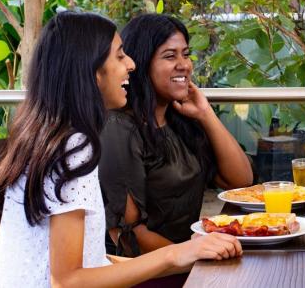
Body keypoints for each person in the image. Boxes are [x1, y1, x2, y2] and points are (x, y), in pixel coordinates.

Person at [0, 11, 242, 288]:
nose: (131, 64)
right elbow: (67, 281)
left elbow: (91, 262)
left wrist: (187, 256)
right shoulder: (74, 148)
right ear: (93, 72)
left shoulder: (46, 135)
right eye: (120, 56)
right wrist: (177, 254)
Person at [100, 13, 253, 256]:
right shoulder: (119, 128)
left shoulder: (182, 121)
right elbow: (129, 236)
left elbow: (240, 181)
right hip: (149, 271)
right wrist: (194, 257)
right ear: (140, 62)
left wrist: (206, 114)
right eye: (170, 56)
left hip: (188, 255)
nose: (184, 64)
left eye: (186, 54)